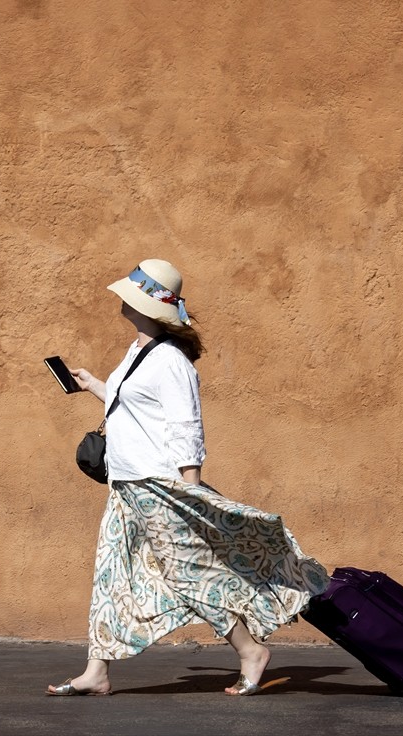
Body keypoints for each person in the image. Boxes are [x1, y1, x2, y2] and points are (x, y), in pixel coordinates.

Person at [46, 259, 329, 697]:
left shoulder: (172, 361)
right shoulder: (137, 352)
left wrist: (191, 488)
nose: (121, 299)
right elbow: (140, 410)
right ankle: (97, 671)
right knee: (111, 574)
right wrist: (98, 387)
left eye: (130, 294)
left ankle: (250, 650)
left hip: (159, 487)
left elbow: (186, 426)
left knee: (191, 573)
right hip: (125, 486)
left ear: (145, 305)